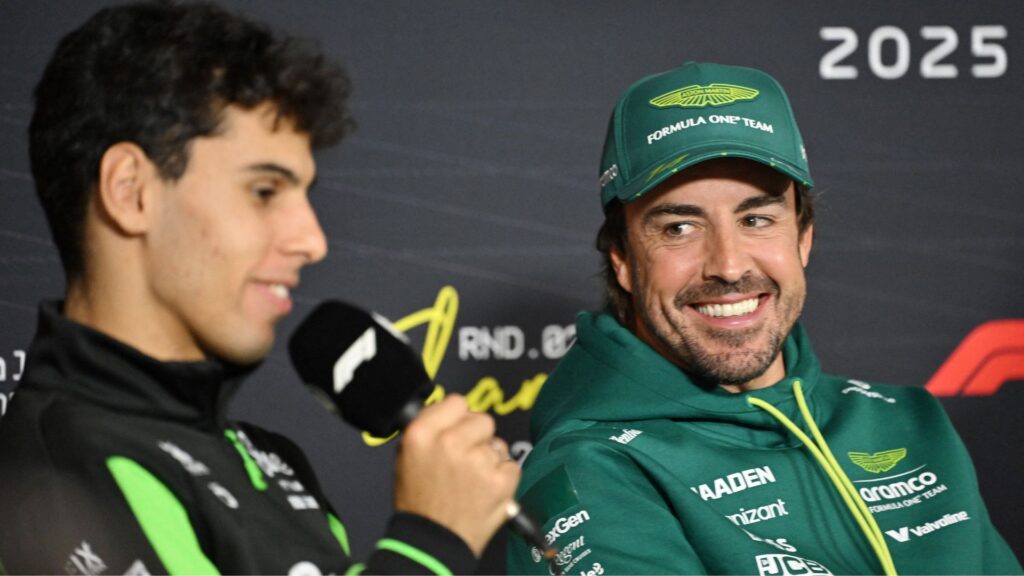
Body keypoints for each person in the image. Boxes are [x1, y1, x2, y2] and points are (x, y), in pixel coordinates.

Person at [0, 2, 520, 574]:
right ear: (132, 192)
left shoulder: (274, 461)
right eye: (265, 191)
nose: (313, 240)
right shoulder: (51, 479)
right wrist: (431, 543)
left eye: (305, 194)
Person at [506, 62, 1022, 575]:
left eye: (757, 220)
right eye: (680, 228)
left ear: (803, 236)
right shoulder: (587, 470)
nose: (729, 265)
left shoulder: (907, 420)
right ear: (622, 258)